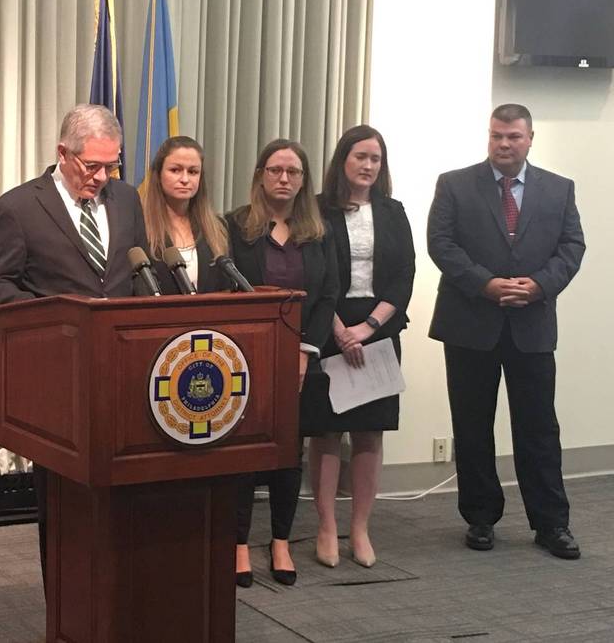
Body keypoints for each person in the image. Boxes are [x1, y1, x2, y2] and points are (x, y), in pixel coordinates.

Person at [0, 104, 149, 575]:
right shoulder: (19, 207)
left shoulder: (127, 200)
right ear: (62, 153)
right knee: (65, 507)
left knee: (123, 503)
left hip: (123, 376)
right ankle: (66, 606)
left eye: (110, 166)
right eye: (90, 165)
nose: (100, 177)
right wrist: (50, 324)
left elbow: (138, 274)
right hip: (59, 381)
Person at [427, 103, 585, 559]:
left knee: (538, 428)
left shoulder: (559, 189)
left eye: (513, 136)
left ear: (530, 138)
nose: (504, 144)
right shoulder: (455, 184)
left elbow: (572, 247)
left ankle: (551, 523)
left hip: (532, 327)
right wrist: (485, 284)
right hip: (469, 324)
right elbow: (441, 242)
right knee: (473, 425)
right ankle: (480, 517)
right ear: (488, 136)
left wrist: (538, 286)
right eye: (497, 135)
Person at [225, 139, 338, 587]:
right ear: (260, 175)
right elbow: (229, 292)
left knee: (288, 455)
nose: (284, 179)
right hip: (248, 357)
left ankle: (280, 541)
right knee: (244, 453)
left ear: (304, 180)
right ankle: (237, 543)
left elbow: (328, 294)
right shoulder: (235, 226)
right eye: (275, 170)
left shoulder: (319, 230)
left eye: (293, 172)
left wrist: (305, 349)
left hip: (300, 360)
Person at [310, 125, 415, 569]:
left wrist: (367, 329)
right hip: (327, 325)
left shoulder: (394, 211)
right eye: (360, 157)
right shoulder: (317, 210)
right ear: (343, 161)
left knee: (370, 432)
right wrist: (338, 330)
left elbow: (404, 276)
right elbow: (312, 274)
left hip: (379, 329)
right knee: (326, 431)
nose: (368, 165)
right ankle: (326, 526)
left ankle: (360, 528)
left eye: (375, 158)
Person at [140, 136, 229, 294]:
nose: (185, 179)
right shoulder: (140, 225)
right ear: (158, 174)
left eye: (193, 172)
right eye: (175, 170)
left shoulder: (218, 228)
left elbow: (225, 287)